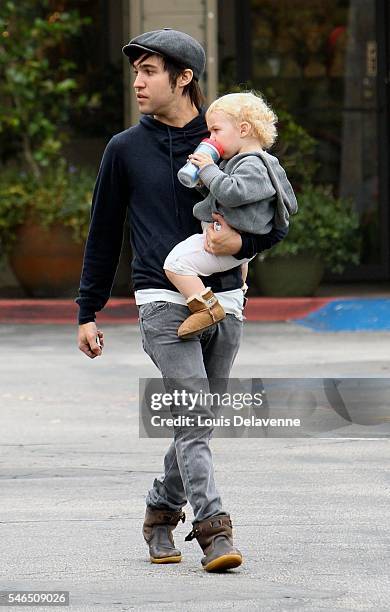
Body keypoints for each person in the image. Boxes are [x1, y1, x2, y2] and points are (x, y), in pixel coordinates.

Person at [76, 28, 289, 572]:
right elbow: (104, 233)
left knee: (198, 417)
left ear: (184, 77)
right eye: (136, 73)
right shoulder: (124, 149)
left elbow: (274, 216)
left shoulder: (228, 140)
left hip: (227, 299)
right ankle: (214, 528)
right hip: (161, 297)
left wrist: (246, 244)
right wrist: (88, 310)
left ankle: (159, 509)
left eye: (150, 72)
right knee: (193, 407)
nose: (139, 83)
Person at [164, 91, 297, 339]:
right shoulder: (247, 161)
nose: (211, 138)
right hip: (240, 246)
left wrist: (208, 169)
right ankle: (240, 292)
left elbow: (232, 193)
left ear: (244, 129)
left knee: (175, 264)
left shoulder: (253, 164)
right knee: (239, 265)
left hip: (227, 242)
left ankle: (205, 309)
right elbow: (226, 190)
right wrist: (204, 177)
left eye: (216, 131)